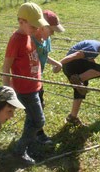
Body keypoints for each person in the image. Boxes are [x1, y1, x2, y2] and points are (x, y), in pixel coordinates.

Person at [2, 2, 49, 164]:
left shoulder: (28, 35)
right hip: (25, 90)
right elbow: (6, 67)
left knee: (32, 118)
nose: (37, 29)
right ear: (21, 22)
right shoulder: (16, 40)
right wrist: (7, 89)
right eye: (34, 26)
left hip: (34, 87)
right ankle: (19, 151)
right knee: (38, 120)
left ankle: (29, 141)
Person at [56, 38, 100, 126]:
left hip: (75, 66)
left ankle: (72, 117)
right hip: (70, 64)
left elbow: (90, 60)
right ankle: (78, 78)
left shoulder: (97, 48)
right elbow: (76, 55)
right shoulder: (93, 48)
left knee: (81, 90)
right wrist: (59, 64)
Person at [32, 9, 65, 144]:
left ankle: (35, 131)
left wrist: (57, 63)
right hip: (30, 78)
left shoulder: (46, 39)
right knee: (35, 106)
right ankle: (37, 134)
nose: (52, 33)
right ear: (42, 26)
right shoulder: (31, 40)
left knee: (40, 104)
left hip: (39, 77)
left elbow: (44, 55)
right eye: (51, 30)